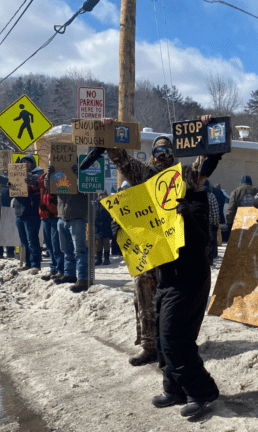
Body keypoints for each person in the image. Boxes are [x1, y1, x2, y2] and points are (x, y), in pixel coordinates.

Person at [81, 127, 223, 417]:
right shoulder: (147, 182)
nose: (164, 155)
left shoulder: (191, 193)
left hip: (188, 277)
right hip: (164, 275)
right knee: (160, 336)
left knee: (174, 338)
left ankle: (202, 391)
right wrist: (122, 230)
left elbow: (205, 164)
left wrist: (213, 135)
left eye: (168, 150)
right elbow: (125, 164)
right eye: (158, 151)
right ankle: (173, 389)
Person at [0, 156, 42, 273]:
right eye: (23, 163)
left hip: (32, 212)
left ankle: (36, 264)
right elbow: (3, 180)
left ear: (32, 164)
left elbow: (38, 180)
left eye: (28, 163)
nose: (25, 164)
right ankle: (28, 263)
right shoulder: (16, 175)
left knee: (32, 240)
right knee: (24, 240)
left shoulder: (38, 173)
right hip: (19, 212)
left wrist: (22, 174)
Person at [45, 164, 88, 293]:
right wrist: (48, 175)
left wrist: (79, 175)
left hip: (77, 218)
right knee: (66, 250)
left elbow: (88, 190)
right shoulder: (60, 174)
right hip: (62, 217)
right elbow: (49, 187)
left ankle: (83, 278)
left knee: (79, 250)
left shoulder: (80, 173)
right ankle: (69, 274)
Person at [38, 168, 64, 280]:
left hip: (55, 215)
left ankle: (61, 269)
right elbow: (39, 183)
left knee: (56, 244)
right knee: (49, 244)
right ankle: (53, 268)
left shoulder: (61, 175)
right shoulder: (43, 177)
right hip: (44, 215)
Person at [94, 190, 112, 266]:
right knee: (99, 244)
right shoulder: (96, 203)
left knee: (106, 243)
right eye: (101, 195)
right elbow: (95, 214)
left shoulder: (109, 203)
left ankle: (107, 259)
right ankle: (99, 259)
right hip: (98, 226)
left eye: (104, 195)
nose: (103, 196)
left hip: (107, 226)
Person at [204, 180, 221, 263]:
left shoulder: (194, 195)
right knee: (210, 241)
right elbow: (215, 211)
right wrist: (216, 223)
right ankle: (209, 259)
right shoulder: (210, 195)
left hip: (198, 222)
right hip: (209, 223)